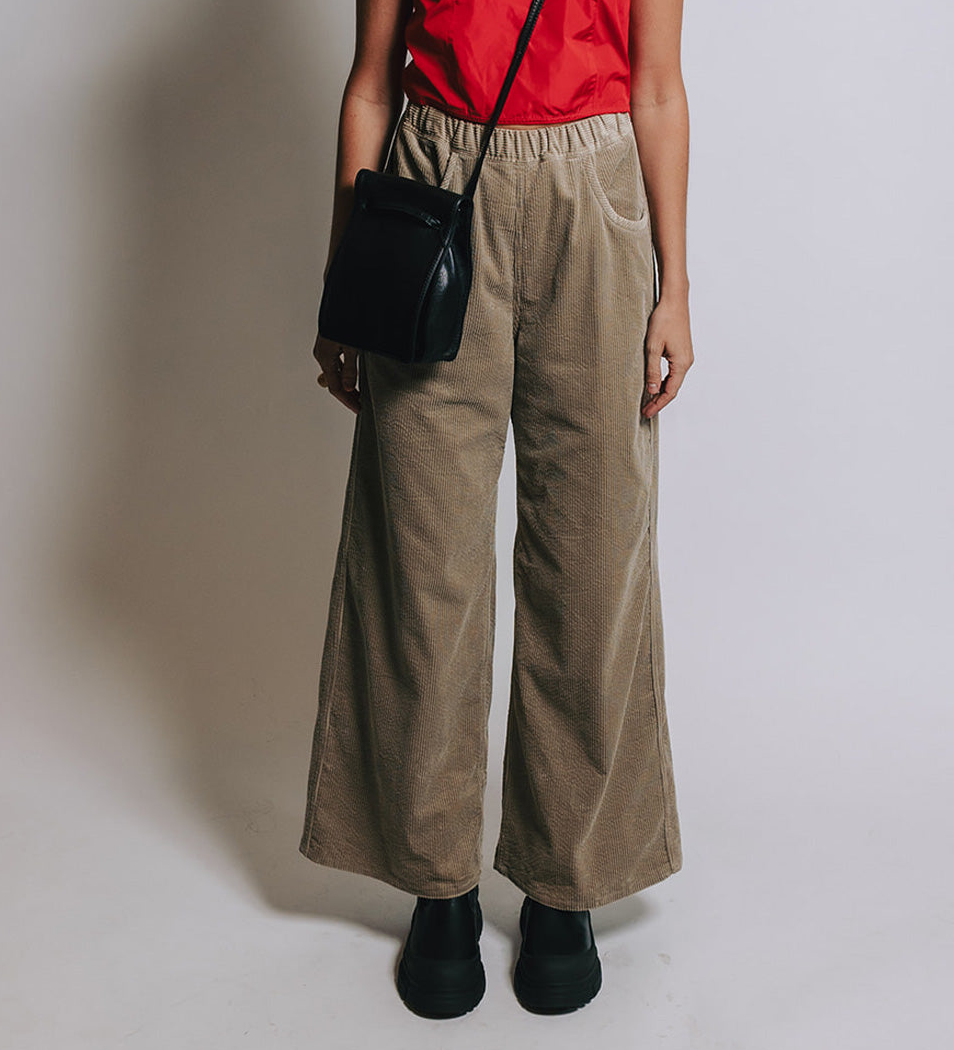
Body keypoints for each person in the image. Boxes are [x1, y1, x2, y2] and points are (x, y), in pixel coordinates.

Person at [301, 0, 693, 1019]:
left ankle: (565, 881)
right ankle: (439, 878)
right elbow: (373, 85)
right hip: (438, 185)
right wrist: (345, 275)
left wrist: (676, 289)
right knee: (424, 566)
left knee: (591, 557)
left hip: (594, 204)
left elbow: (655, 85)